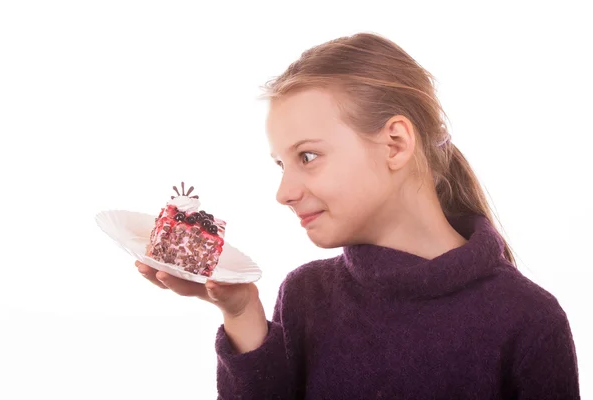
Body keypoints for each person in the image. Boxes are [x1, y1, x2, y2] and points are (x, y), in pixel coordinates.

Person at [135, 32, 580, 399]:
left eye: (307, 156)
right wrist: (240, 312)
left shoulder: (528, 321)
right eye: (281, 164)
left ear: (395, 144)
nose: (284, 192)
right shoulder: (307, 295)